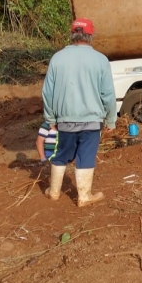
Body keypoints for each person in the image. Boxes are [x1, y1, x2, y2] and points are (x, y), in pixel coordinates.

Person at [42, 18, 117, 207]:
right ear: (90, 35)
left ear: (72, 34)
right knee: (86, 155)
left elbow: (47, 93)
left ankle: (54, 192)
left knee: (61, 154)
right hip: (92, 121)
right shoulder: (100, 59)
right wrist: (111, 120)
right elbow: (108, 93)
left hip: (65, 120)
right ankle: (84, 196)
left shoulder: (57, 58)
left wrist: (50, 118)